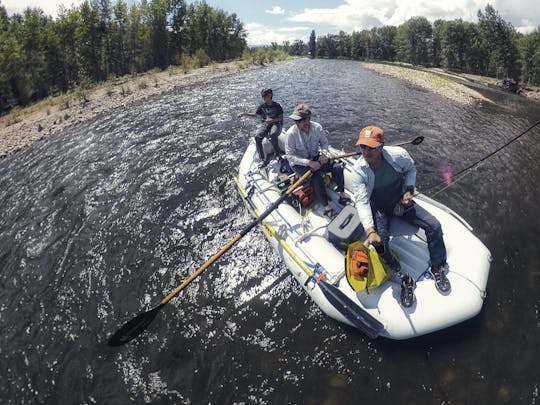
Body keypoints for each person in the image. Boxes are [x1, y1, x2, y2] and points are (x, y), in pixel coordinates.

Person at [349, 125, 451, 308]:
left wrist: (408, 191)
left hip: (400, 201)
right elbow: (362, 201)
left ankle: (438, 267)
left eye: (371, 147)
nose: (366, 151)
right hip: (378, 208)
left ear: (381, 146)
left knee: (434, 225)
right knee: (380, 244)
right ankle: (401, 274)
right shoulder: (359, 171)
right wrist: (370, 230)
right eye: (362, 147)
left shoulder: (399, 155)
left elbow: (410, 171)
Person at [284, 104, 351, 217]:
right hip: (299, 164)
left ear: (307, 120)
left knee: (338, 167)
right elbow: (290, 156)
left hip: (316, 157)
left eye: (299, 120)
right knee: (316, 178)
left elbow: (324, 143)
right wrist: (308, 162)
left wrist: (324, 154)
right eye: (296, 120)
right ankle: (326, 206)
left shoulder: (317, 128)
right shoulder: (291, 134)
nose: (296, 123)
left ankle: (342, 194)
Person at [238, 88, 283, 168]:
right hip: (266, 124)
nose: (264, 98)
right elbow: (255, 115)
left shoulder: (277, 106)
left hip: (276, 123)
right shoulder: (262, 106)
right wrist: (244, 114)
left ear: (270, 96)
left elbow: (280, 117)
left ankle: (278, 154)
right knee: (257, 137)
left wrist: (272, 120)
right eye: (263, 96)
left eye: (266, 96)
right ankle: (262, 159)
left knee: (273, 134)